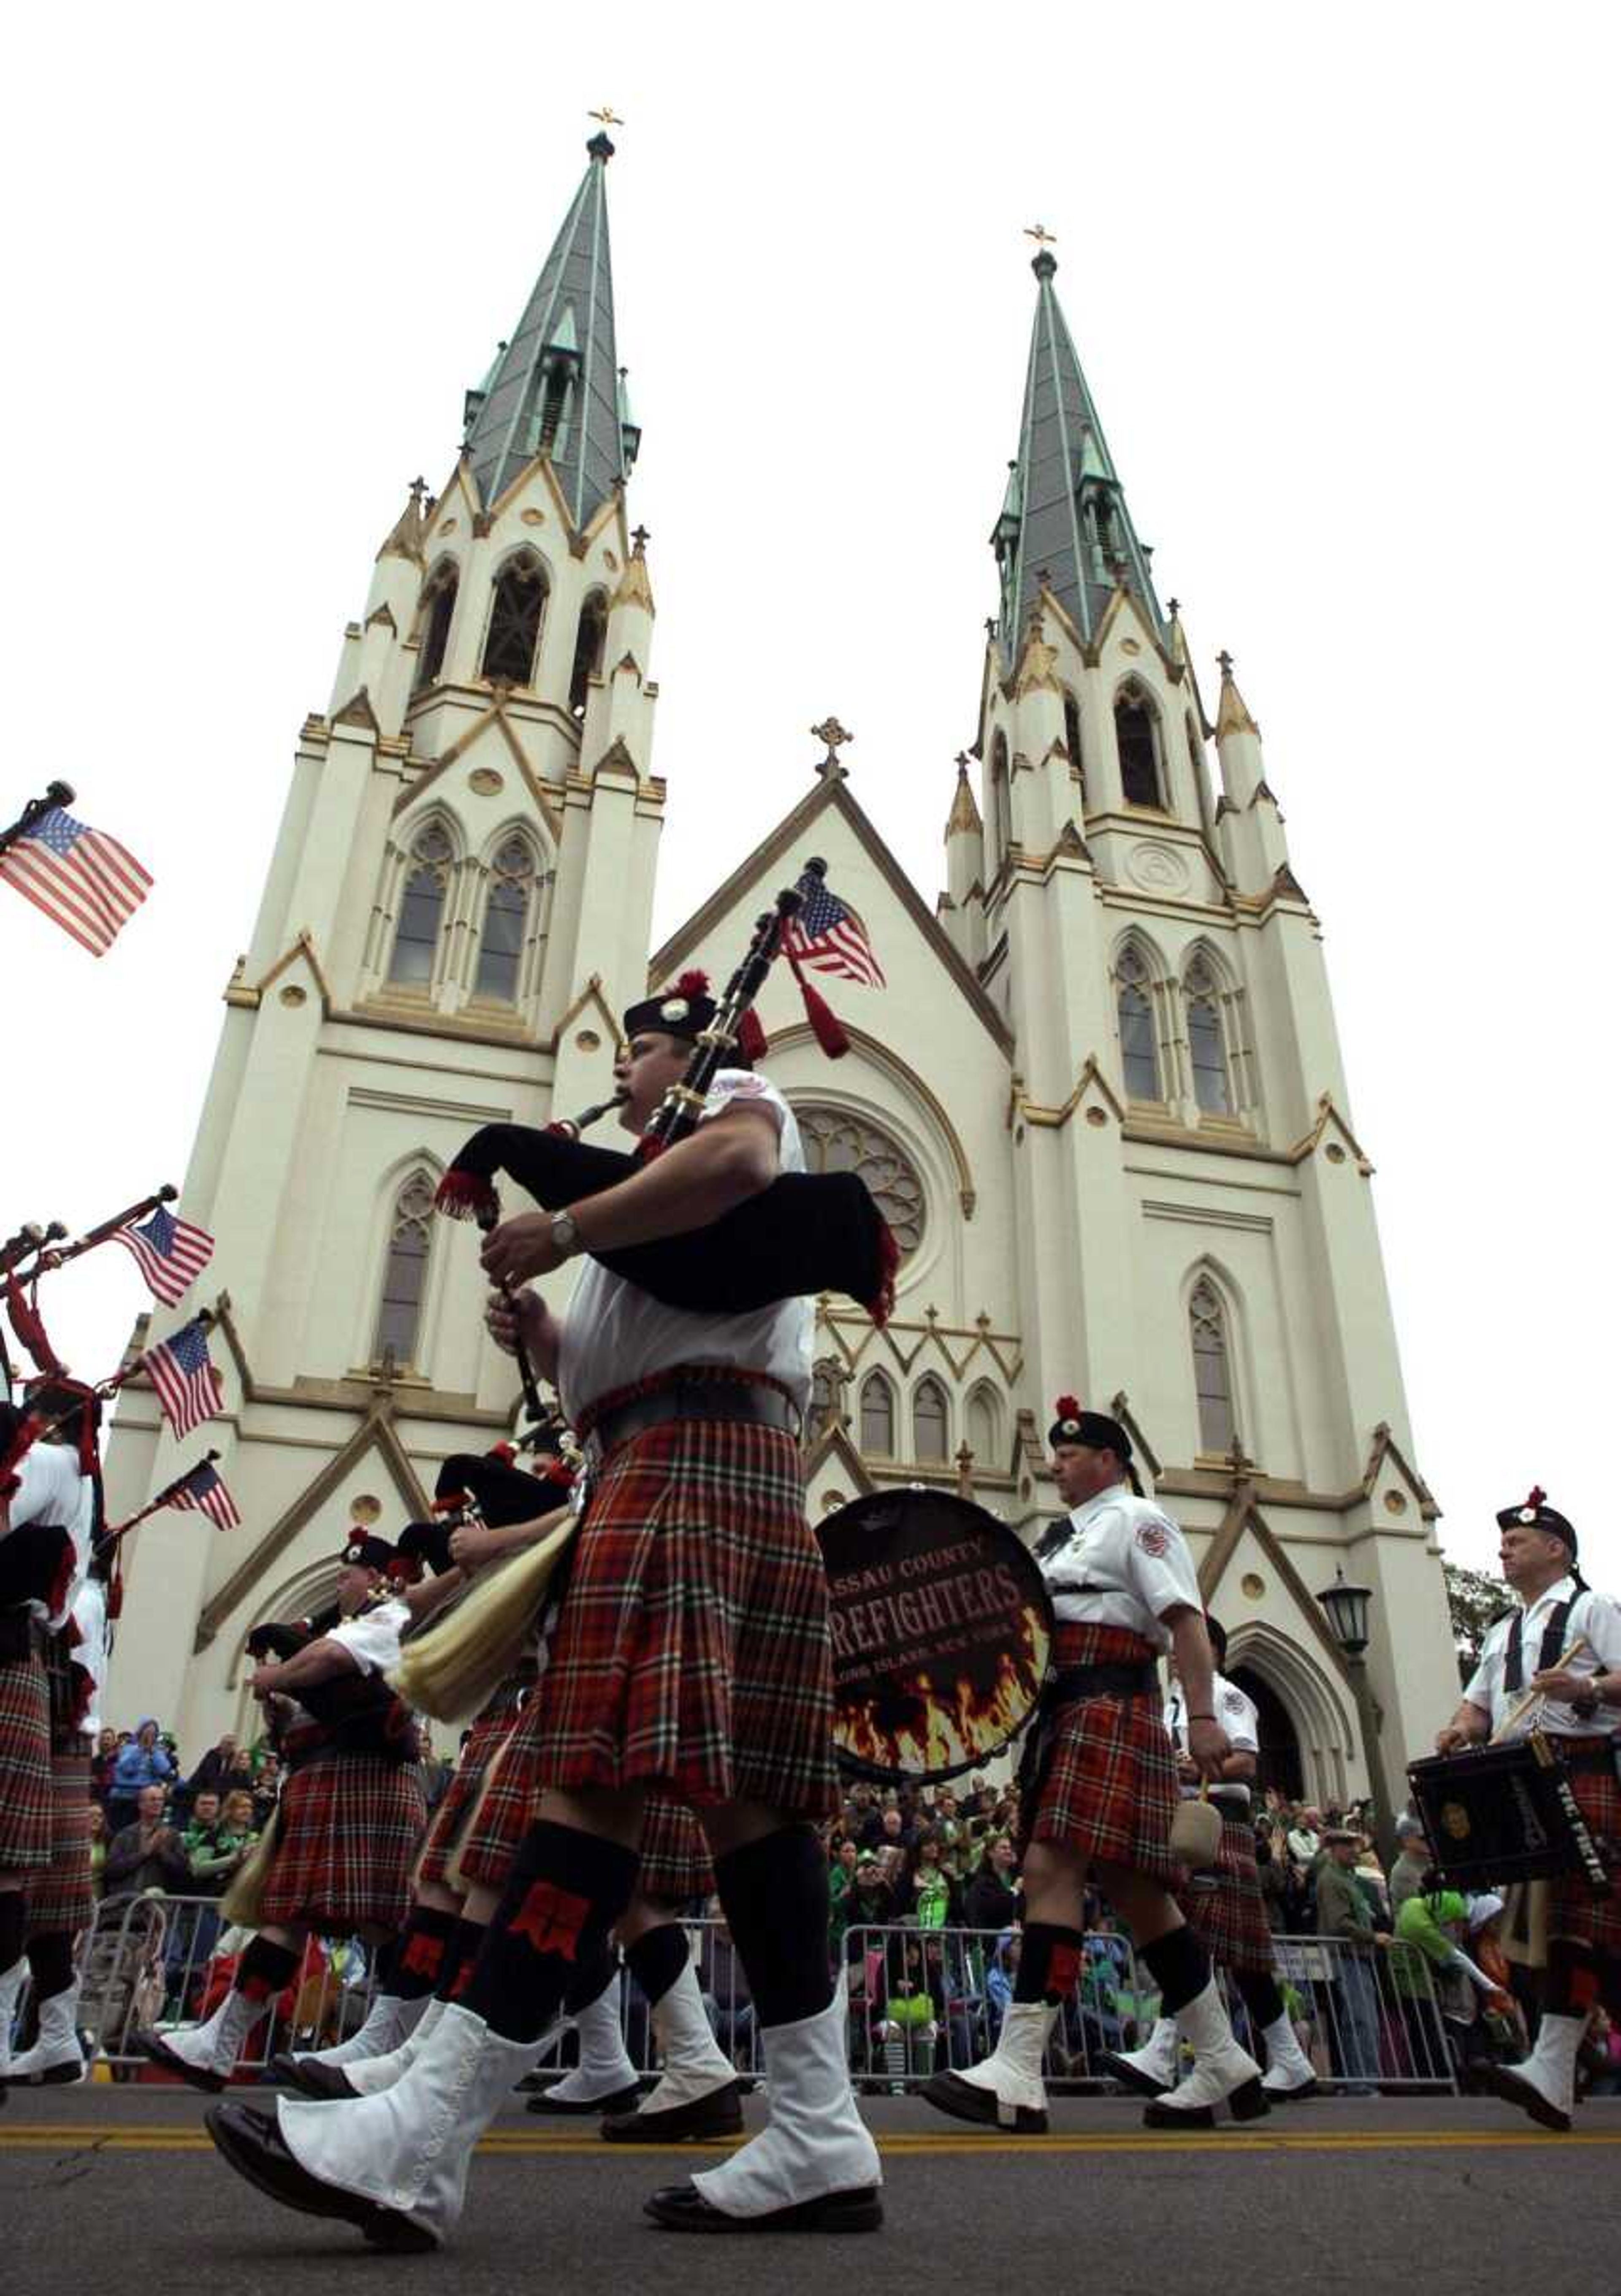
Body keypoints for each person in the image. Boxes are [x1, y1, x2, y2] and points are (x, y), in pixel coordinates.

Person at [206, 968, 880, 2243]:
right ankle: (817, 2127)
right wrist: (553, 1335)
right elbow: (629, 1358)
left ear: (687, 1058)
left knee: (584, 1789)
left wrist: (564, 1236)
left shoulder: (730, 1107)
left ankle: (421, 2134)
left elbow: (741, 1160)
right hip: (667, 1455)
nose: (619, 1073)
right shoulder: (653, 1205)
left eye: (635, 1054)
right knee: (755, 1824)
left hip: (692, 1466)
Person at [923, 1399, 1263, 2135]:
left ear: (1108, 1460)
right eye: (1055, 1456)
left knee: (1051, 1872)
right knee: (1138, 1893)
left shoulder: (1139, 1520)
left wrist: (1202, 1716)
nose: (1056, 1466)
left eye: (1071, 1456)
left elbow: (1186, 1622)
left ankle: (1017, 2069)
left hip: (1109, 1706)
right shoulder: (1057, 1540)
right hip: (1065, 1710)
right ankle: (1223, 2059)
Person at [134, 1530, 430, 2091]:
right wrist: (284, 1713)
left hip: (366, 1777)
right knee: (290, 1916)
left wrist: (277, 1676)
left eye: (349, 1574)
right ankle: (219, 2041)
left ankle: (398, 2044)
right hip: (326, 1775)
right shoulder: (343, 1630)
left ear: (373, 1577)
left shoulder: (391, 1617)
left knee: (385, 1922)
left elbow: (331, 1659)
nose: (341, 1581)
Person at [1434, 1487, 1621, 2133]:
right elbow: (1480, 1704)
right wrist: (1461, 1728)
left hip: (1578, 1765)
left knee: (1576, 1924)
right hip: (1519, 1782)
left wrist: (1587, 1686)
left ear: (1556, 1550)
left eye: (1516, 1543)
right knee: (1532, 1940)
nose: (1504, 1552)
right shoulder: (1501, 1632)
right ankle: (1577, 2055)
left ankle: (1554, 2066)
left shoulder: (1592, 1609)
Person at [1103, 1616, 1316, 2106]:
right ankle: (1289, 2059)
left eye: (1185, 1647)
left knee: (1191, 1935)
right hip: (1183, 1823)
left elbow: (1246, 1759)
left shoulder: (1225, 1695)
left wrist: (1199, 1763)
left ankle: (1160, 2053)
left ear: (1212, 1651)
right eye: (1173, 1649)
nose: (1175, 1655)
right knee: (1240, 1954)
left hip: (1217, 1822)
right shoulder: (1168, 1702)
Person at [0, 1382, 100, 2088]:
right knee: (45, 1884)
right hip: (58, 1685)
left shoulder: (51, 1465)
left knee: (17, 1872)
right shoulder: (85, 1485)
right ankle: (54, 2035)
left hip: (24, 1658)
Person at [1315, 1828, 1388, 2091]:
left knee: (1365, 2021)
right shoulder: (1332, 1879)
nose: (1355, 1851)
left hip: (1358, 1956)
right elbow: (1340, 1924)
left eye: (1356, 1845)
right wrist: (1372, 1937)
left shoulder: (1347, 1878)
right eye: (1347, 1846)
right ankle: (1362, 2082)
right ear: (1333, 1849)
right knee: (1360, 2021)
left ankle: (1365, 2079)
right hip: (1348, 1956)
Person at [106, 1718, 176, 1836]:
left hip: (146, 1801)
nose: (150, 1736)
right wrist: (141, 1750)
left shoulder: (158, 1752)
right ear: (140, 1732)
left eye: (153, 1734)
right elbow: (127, 1768)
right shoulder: (128, 1748)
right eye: (147, 1732)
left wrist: (153, 1752)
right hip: (124, 1798)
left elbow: (165, 1770)